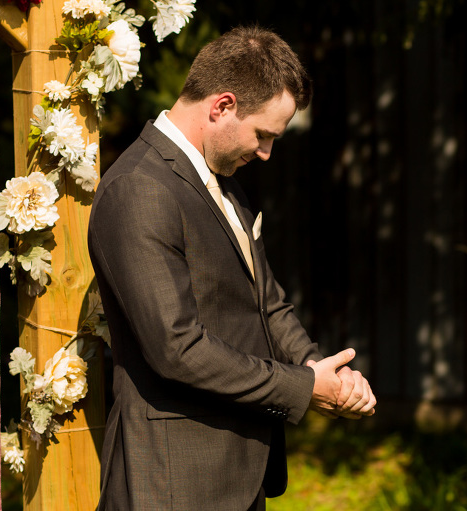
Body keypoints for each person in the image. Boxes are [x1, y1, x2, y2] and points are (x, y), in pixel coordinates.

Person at [87, 25, 377, 510]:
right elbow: (177, 348)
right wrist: (304, 389)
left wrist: (323, 370)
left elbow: (266, 303)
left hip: (242, 471)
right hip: (175, 480)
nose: (265, 153)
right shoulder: (139, 188)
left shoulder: (220, 179)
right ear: (222, 105)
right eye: (263, 135)